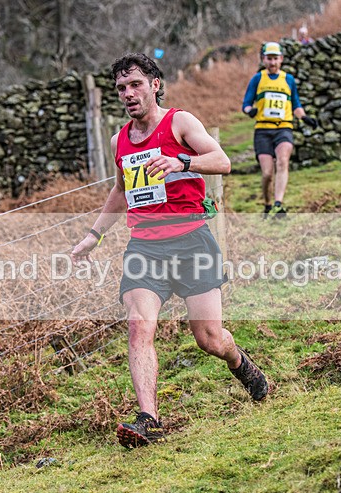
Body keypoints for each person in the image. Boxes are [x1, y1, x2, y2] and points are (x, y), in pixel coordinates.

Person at [71, 53, 269, 449]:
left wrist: (181, 161)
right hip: (145, 246)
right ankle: (150, 419)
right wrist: (95, 234)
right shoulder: (119, 140)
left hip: (192, 241)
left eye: (136, 85)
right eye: (121, 89)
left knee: (210, 338)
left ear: (155, 84)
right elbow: (121, 190)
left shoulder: (180, 121)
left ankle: (241, 364)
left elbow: (222, 161)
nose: (128, 94)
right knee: (138, 326)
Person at [241, 42, 314, 219]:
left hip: (284, 128)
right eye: (269, 59)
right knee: (267, 173)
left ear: (281, 59)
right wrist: (250, 111)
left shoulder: (288, 79)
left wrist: (304, 117)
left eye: (275, 59)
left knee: (282, 162)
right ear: (264, 59)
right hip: (263, 130)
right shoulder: (258, 79)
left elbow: (295, 104)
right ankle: (267, 204)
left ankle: (278, 204)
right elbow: (246, 104)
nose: (272, 63)